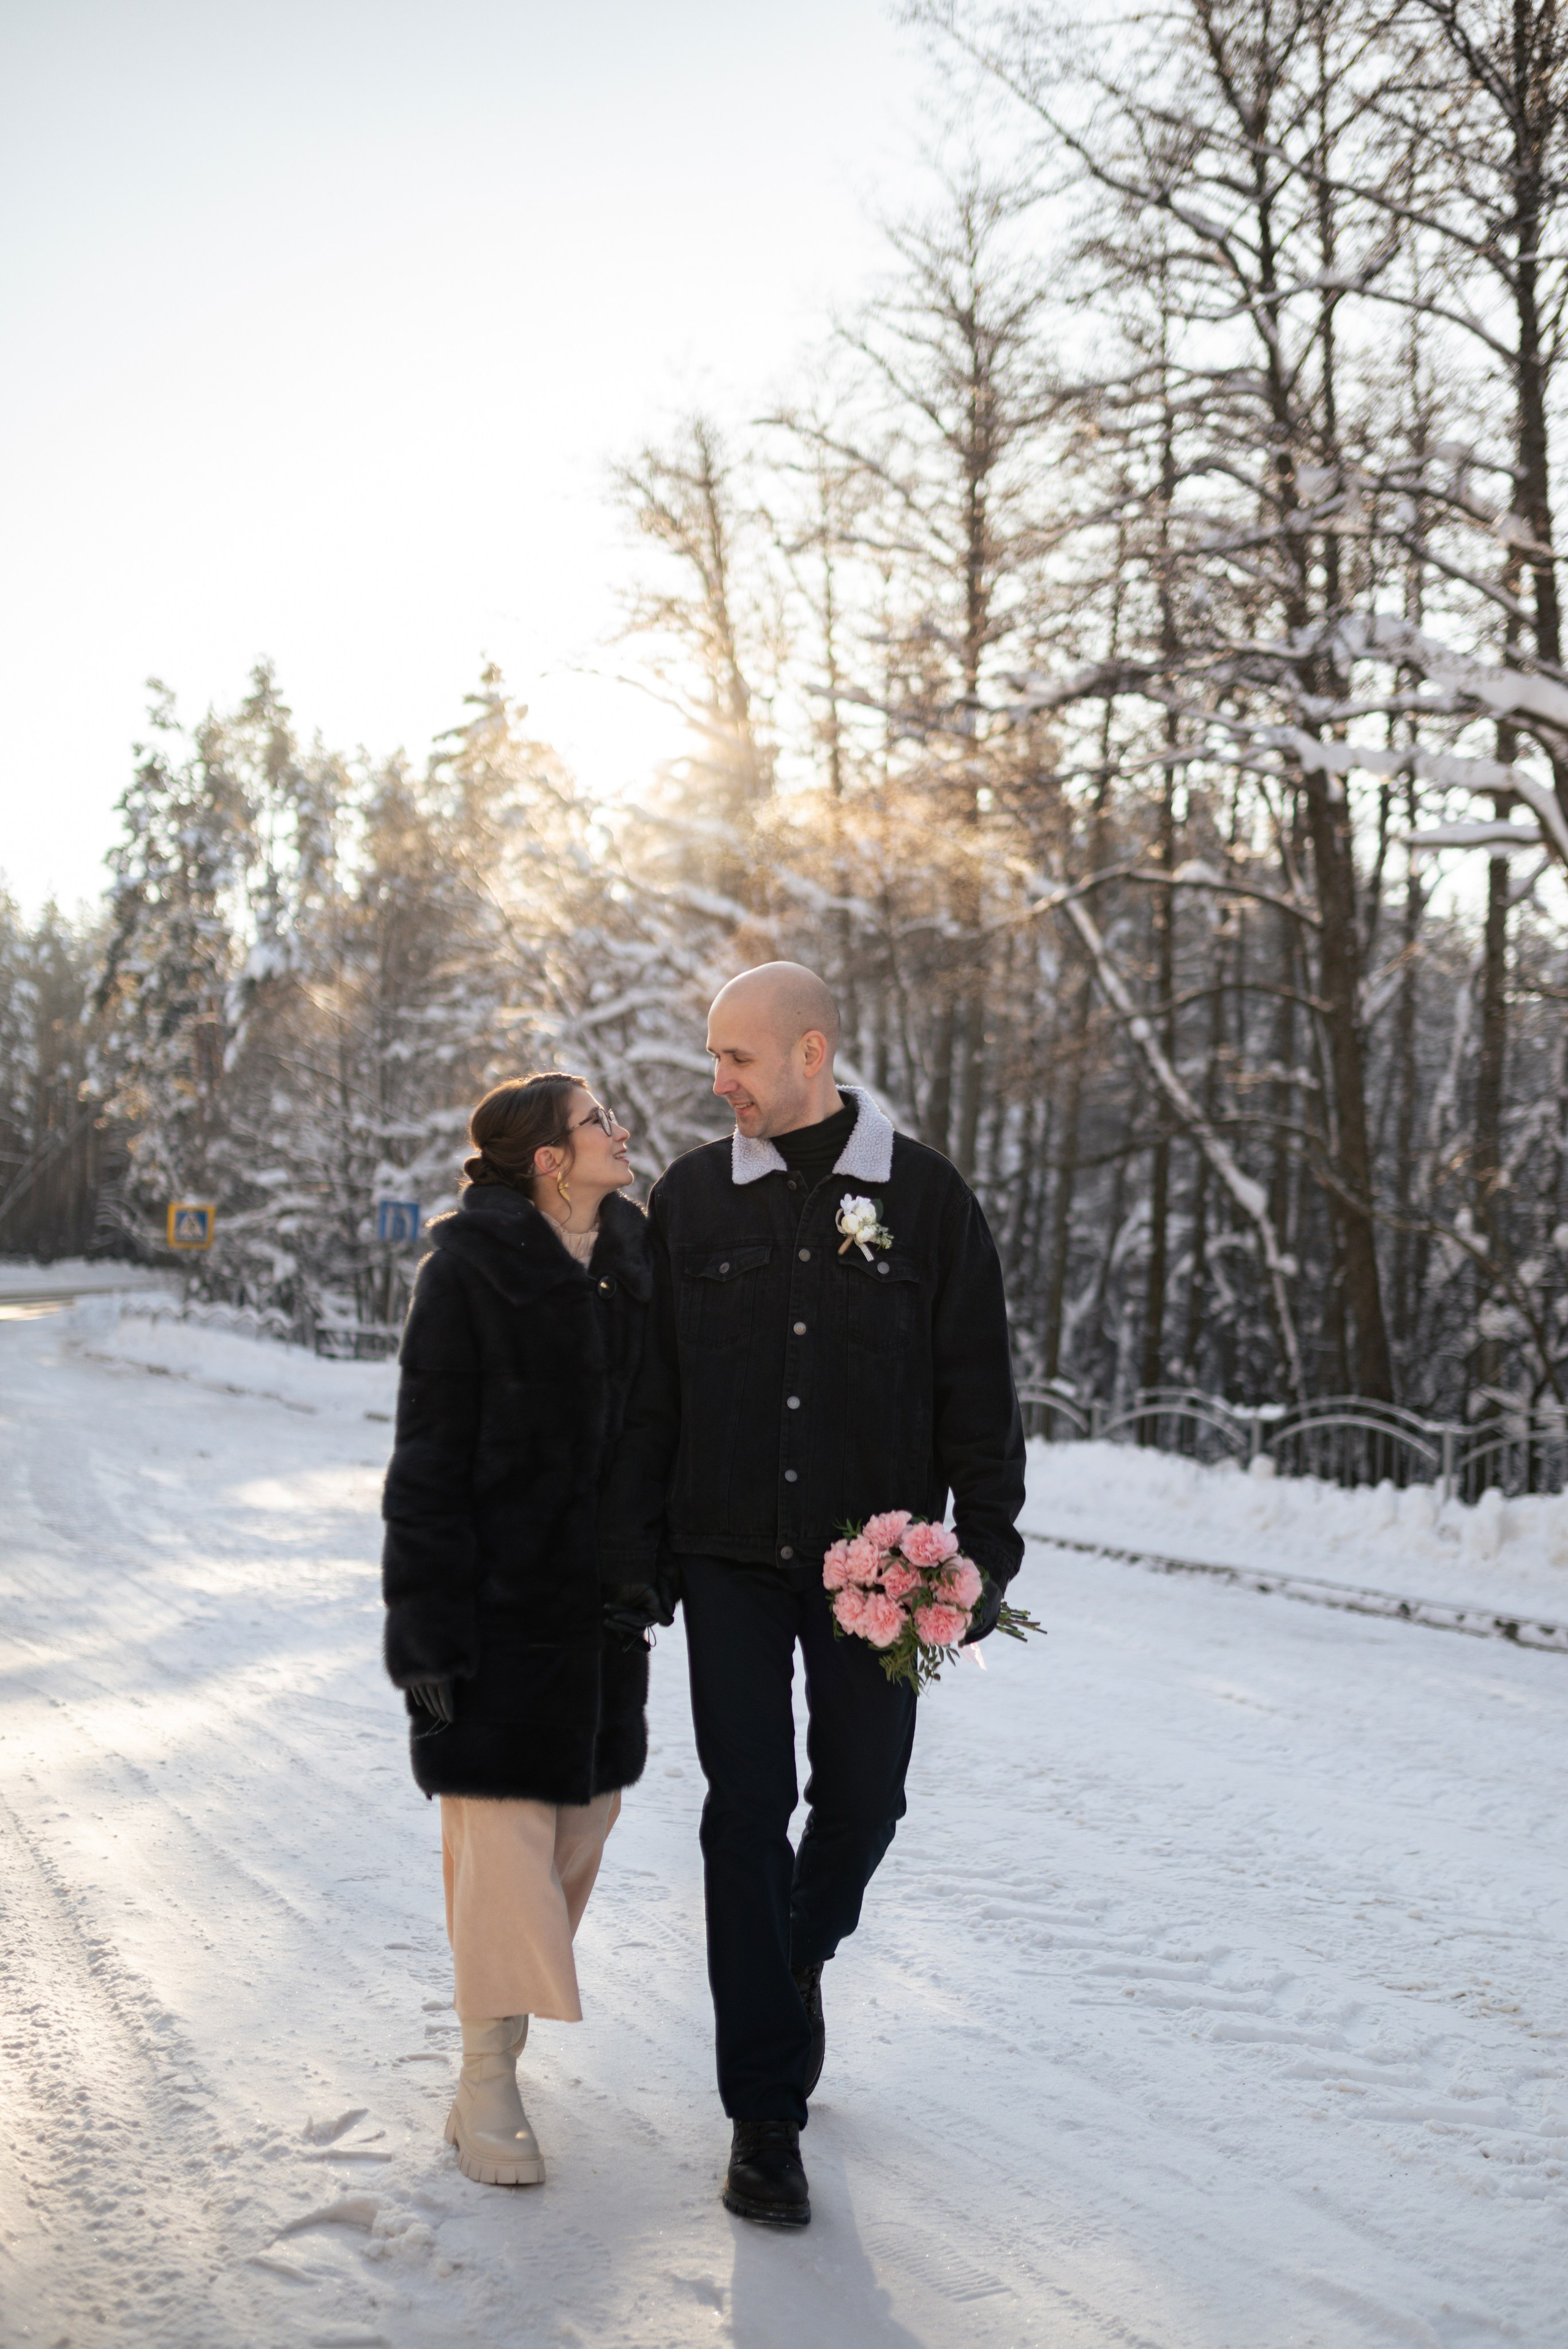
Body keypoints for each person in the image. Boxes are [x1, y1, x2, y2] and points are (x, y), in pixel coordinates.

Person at [601, 962, 1025, 2226]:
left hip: (877, 1565)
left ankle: (799, 1950)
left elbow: (976, 1384)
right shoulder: (686, 1200)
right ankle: (763, 2117)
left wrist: (983, 1547)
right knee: (746, 1809)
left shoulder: (924, 1196)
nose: (716, 1082)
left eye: (738, 1058)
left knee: (864, 1798)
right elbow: (650, 1392)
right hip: (724, 1550)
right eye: (712, 1059)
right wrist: (636, 1553)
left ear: (810, 1052)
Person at [380, 1071, 671, 2187]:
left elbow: (663, 1435)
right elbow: (428, 1464)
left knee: (576, 1836)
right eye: (599, 1120)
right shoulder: (467, 1271)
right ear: (549, 1156)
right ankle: (487, 2075)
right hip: (495, 1614)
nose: (621, 1129)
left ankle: (491, 2055)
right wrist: (427, 1637)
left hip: (605, 1615)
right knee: (503, 1846)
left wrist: (655, 1568)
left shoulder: (641, 1267)